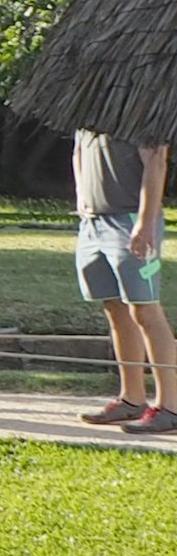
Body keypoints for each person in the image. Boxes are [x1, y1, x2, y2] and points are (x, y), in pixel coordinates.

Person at [69, 128, 177, 435]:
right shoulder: (86, 115)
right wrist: (82, 204)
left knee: (144, 308)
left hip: (130, 220)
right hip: (93, 221)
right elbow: (78, 155)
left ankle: (170, 405)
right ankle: (132, 398)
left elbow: (156, 164)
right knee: (114, 306)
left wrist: (145, 222)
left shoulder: (139, 113)